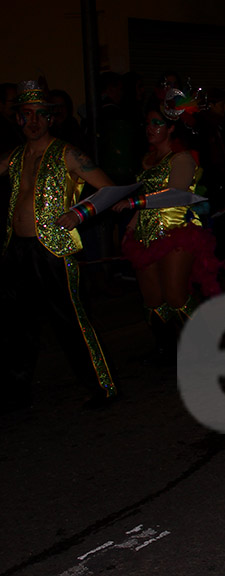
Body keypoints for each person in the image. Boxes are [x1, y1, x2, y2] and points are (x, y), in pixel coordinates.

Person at [0, 81, 117, 409]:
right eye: (26, 115)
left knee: (71, 320)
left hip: (53, 249)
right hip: (17, 249)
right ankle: (16, 388)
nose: (33, 121)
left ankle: (101, 386)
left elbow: (109, 190)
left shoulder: (68, 153)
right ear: (18, 119)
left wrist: (80, 214)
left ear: (51, 118)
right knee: (17, 322)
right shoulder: (14, 155)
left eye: (40, 115)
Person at [115, 107, 220, 362]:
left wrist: (134, 203)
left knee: (175, 295)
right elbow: (147, 198)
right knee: (153, 299)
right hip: (146, 234)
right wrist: (131, 227)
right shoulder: (149, 161)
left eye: (157, 123)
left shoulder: (181, 158)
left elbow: (176, 193)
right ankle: (166, 349)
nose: (150, 128)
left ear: (171, 128)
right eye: (148, 123)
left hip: (176, 233)